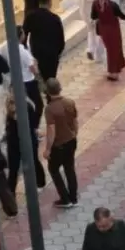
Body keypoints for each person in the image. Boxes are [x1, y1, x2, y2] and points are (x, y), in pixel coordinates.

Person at [42, 78, 79, 209]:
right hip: (71, 141)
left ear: (47, 91)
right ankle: (73, 197)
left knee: (53, 169)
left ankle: (65, 198)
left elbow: (51, 130)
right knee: (69, 168)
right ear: (60, 88)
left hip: (59, 145)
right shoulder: (69, 102)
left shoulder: (50, 109)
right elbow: (75, 121)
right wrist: (74, 133)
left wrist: (47, 149)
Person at [91, 0, 125, 80]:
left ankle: (117, 67)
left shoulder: (95, 3)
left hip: (103, 30)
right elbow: (122, 16)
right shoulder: (113, 5)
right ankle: (113, 73)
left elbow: (93, 17)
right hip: (113, 29)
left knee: (110, 49)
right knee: (115, 49)